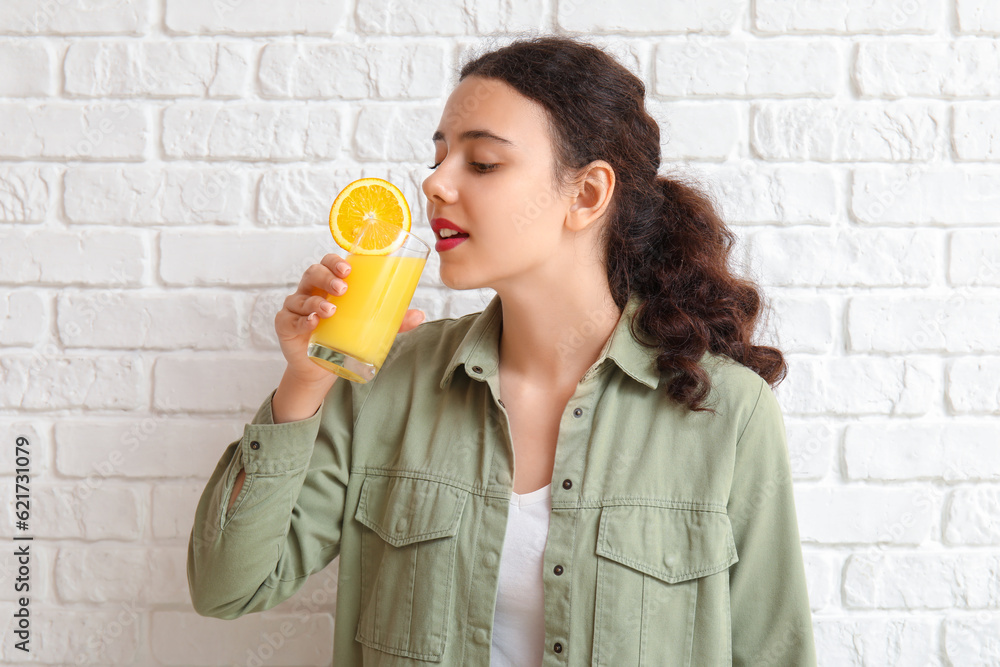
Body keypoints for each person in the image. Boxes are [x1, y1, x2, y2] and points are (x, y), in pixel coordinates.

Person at [187, 34, 817, 666]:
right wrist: (304, 382)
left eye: (482, 163)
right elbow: (228, 587)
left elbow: (772, 652)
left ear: (588, 194)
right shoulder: (387, 377)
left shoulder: (727, 410)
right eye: (436, 158)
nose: (434, 183)